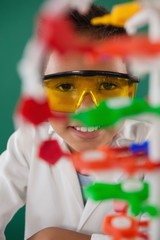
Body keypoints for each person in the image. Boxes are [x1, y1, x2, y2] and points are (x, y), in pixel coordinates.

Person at [0, 4, 151, 240]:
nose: (86, 108)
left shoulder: (153, 146)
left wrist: (51, 237)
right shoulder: (27, 143)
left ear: (129, 94)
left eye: (108, 86)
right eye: (65, 87)